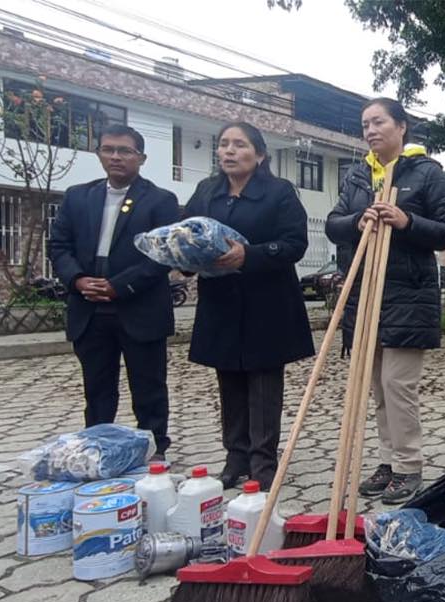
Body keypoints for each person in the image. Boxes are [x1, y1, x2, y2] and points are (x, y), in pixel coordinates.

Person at [326, 98, 445, 505]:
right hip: (365, 293)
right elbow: (334, 224)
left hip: (408, 294)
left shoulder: (426, 172)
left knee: (398, 385)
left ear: (401, 126)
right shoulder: (357, 174)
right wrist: (357, 220)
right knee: (377, 388)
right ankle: (387, 461)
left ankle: (408, 465)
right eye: (365, 123)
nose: (370, 130)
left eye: (378, 121)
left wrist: (406, 221)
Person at [185, 122, 313, 491]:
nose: (228, 151)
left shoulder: (278, 192)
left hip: (266, 303)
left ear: (259, 155)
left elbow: (294, 244)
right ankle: (234, 457)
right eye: (223, 144)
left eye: (238, 145)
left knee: (263, 385)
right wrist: (183, 256)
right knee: (229, 381)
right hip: (221, 302)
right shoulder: (206, 191)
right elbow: (188, 232)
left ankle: (263, 461)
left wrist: (249, 255)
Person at [49, 125, 180, 461]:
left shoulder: (160, 201)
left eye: (125, 151)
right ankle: (97, 448)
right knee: (97, 388)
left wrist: (120, 286)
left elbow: (163, 254)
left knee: (148, 388)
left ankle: (154, 450)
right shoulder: (79, 196)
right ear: (99, 154)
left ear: (141, 158)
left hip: (139, 307)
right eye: (109, 150)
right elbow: (59, 245)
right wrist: (77, 279)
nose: (116, 157)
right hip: (89, 308)